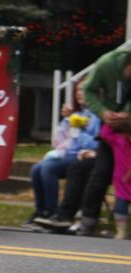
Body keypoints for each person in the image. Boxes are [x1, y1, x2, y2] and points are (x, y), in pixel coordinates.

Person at [35, 46, 131, 236]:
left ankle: (68, 216)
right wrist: (103, 113)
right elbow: (88, 90)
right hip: (113, 132)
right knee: (96, 173)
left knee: (92, 170)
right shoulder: (108, 64)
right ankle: (79, 220)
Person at [27, 80, 100, 224]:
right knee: (36, 169)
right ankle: (40, 210)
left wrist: (79, 130)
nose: (79, 93)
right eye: (77, 90)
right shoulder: (78, 113)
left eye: (83, 90)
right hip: (67, 154)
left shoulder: (96, 117)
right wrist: (67, 121)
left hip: (84, 156)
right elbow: (59, 141)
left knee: (48, 168)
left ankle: (51, 211)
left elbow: (95, 144)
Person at [98, 123, 131, 239]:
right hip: (122, 181)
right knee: (120, 206)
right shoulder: (119, 140)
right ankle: (121, 232)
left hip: (127, 178)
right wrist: (111, 120)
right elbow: (105, 134)